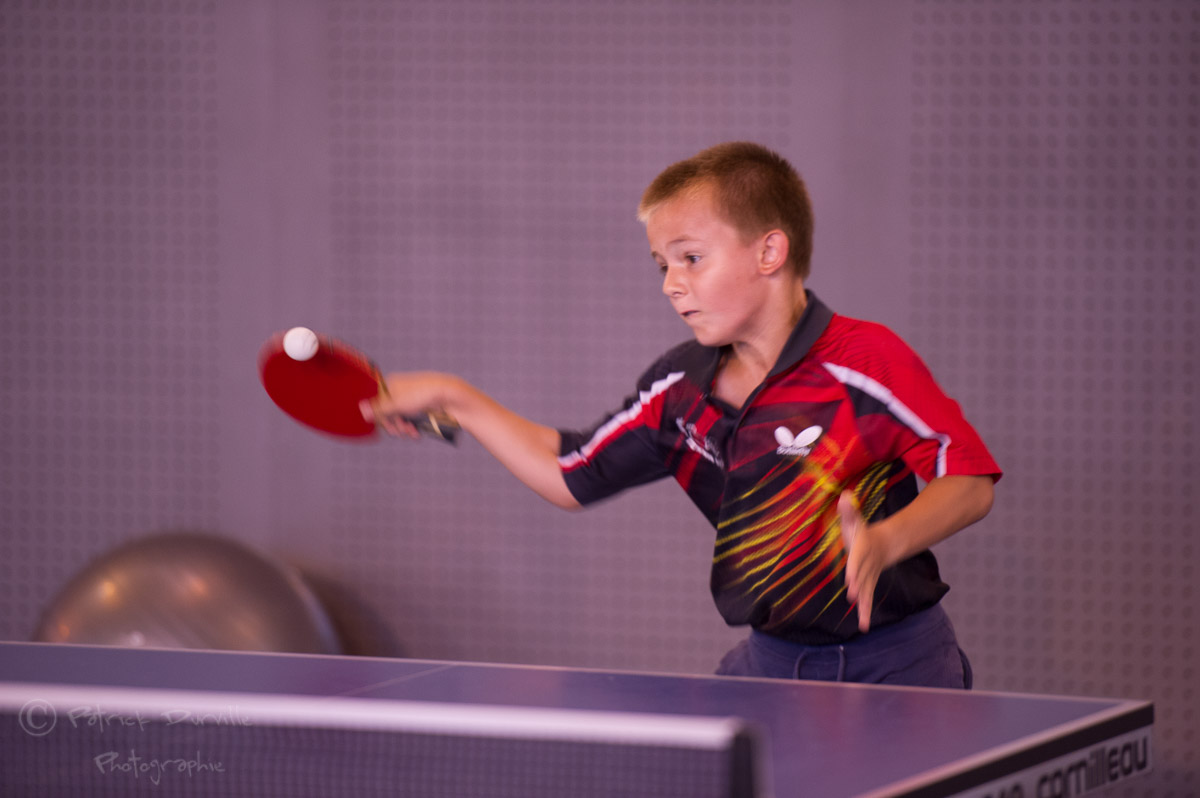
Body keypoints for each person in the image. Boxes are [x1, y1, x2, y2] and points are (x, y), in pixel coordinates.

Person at [362, 142, 1001, 687]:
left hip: (898, 662)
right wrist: (455, 398)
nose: (671, 283)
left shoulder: (864, 362)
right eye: (662, 265)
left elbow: (970, 482)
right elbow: (570, 471)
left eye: (691, 258)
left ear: (769, 253)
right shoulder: (678, 392)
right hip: (772, 664)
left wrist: (888, 540)